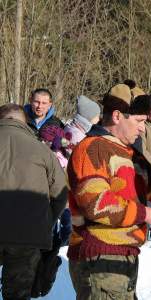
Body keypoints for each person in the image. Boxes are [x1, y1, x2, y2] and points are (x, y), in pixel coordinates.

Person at [67, 82, 151, 299]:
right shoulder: (94, 147)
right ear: (118, 116)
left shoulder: (127, 153)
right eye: (139, 121)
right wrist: (145, 214)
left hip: (121, 256)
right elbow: (96, 203)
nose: (142, 128)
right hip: (100, 256)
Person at [0, 103, 67, 300]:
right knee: (18, 294)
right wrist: (45, 221)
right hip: (28, 234)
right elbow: (60, 193)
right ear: (24, 123)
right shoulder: (42, 150)